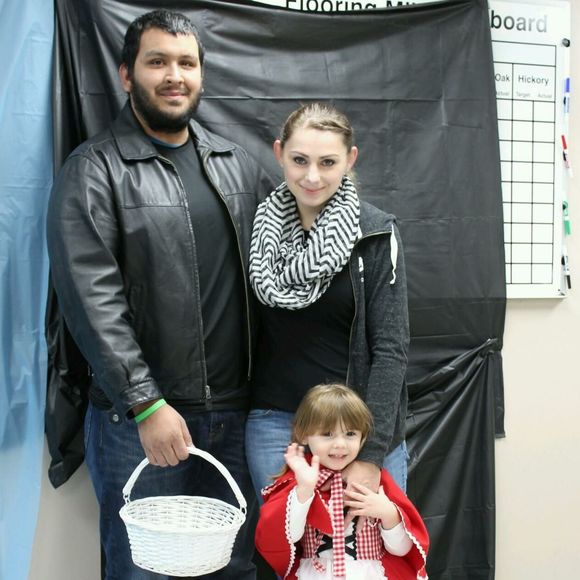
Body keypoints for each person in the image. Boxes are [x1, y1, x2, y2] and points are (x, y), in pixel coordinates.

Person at [46, 9, 271, 580]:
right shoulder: (94, 170)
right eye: (157, 62)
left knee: (234, 569)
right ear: (127, 74)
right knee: (142, 572)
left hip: (238, 418)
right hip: (142, 423)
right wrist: (146, 403)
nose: (175, 75)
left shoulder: (238, 166)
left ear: (200, 74)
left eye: (186, 63)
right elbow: (91, 301)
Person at [246, 102, 410, 505]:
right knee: (287, 544)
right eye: (300, 160)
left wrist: (370, 453)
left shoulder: (374, 233)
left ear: (349, 160)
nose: (312, 176)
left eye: (328, 162)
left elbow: (391, 349)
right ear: (279, 153)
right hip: (277, 425)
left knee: (372, 542)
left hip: (354, 431)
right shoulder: (256, 229)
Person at [255, 384, 428, 580]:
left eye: (350, 434)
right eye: (327, 434)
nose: (340, 444)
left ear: (363, 437)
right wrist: (304, 490)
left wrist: (387, 513)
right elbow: (286, 538)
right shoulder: (299, 479)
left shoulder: (376, 481)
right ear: (303, 434)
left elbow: (401, 549)